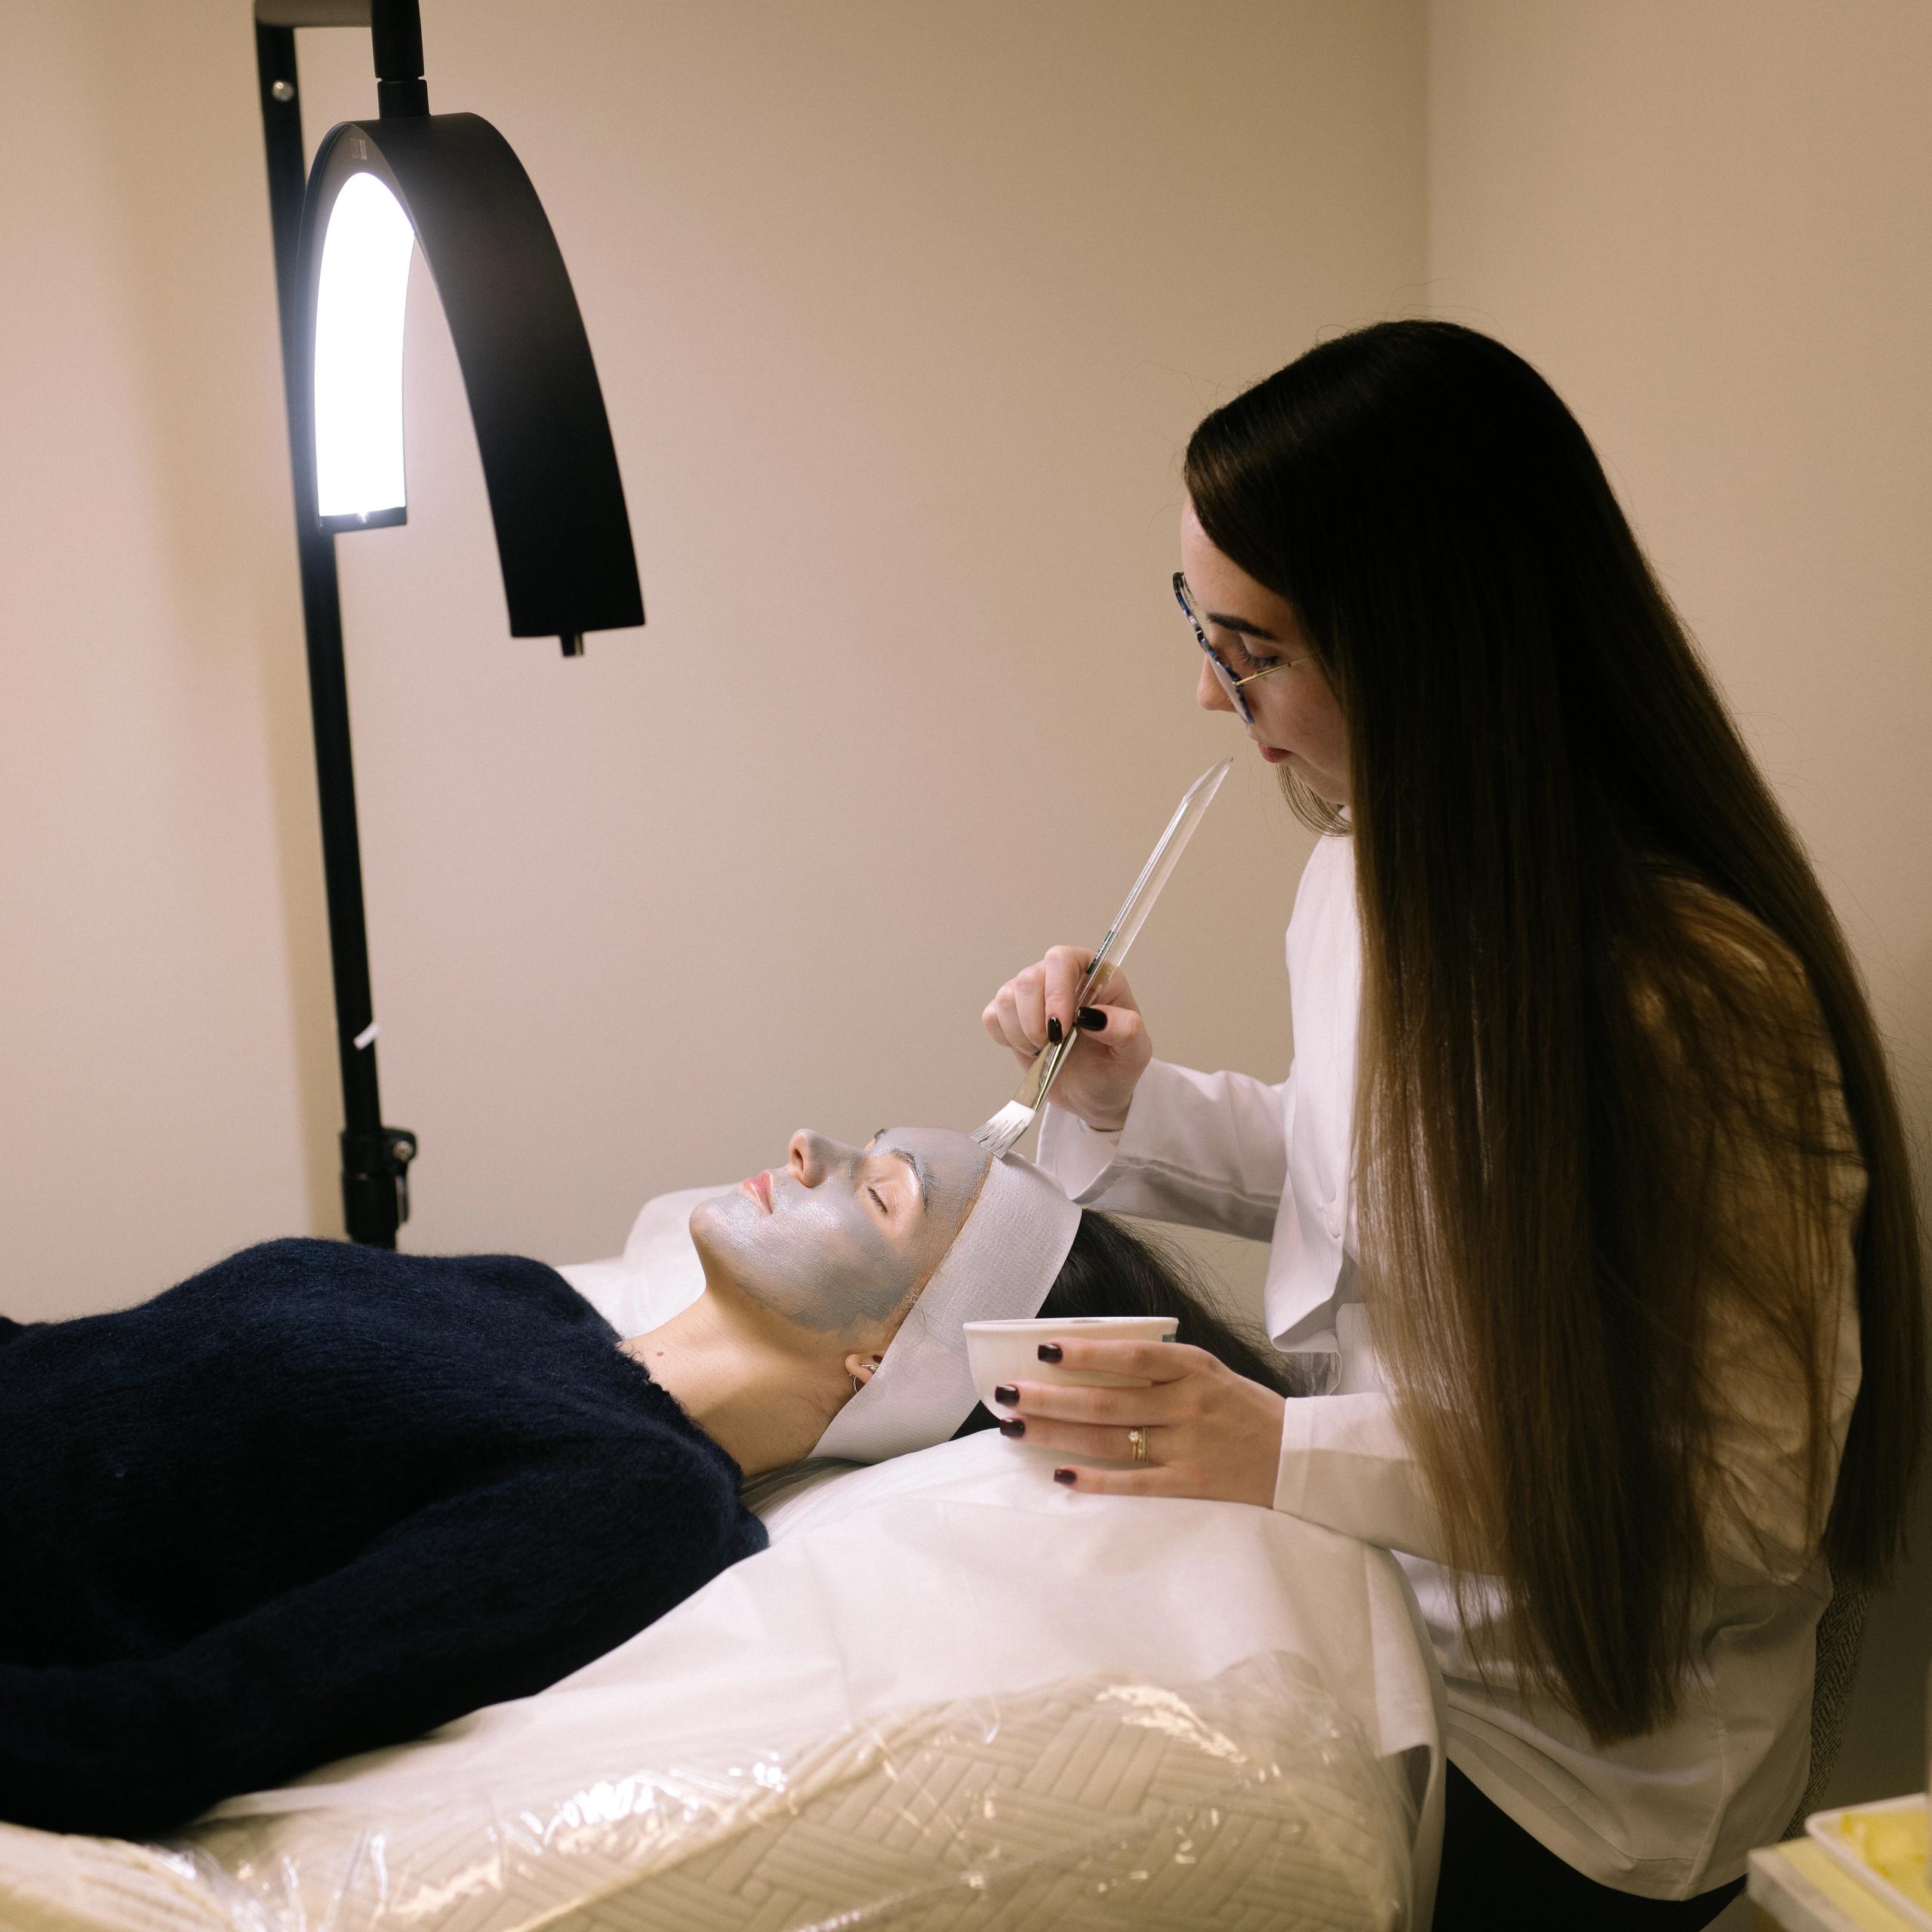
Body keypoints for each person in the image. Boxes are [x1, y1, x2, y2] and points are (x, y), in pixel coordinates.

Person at [983, 320, 1924, 1924]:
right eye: (1203, 631)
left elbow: (1747, 1505)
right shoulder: (1360, 875)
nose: (1209, 695)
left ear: (1422, 638)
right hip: (1402, 1619)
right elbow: (1372, 1174)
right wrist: (1123, 1099)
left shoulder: (1688, 998)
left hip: (1595, 1767)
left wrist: (1286, 1442)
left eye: (1250, 647)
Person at [0, 1124, 1275, 1841]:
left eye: (878, 1193)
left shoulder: (635, 1496)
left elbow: (180, 1731)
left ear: (890, 1355)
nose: (813, 1141)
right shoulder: (523, 1297)